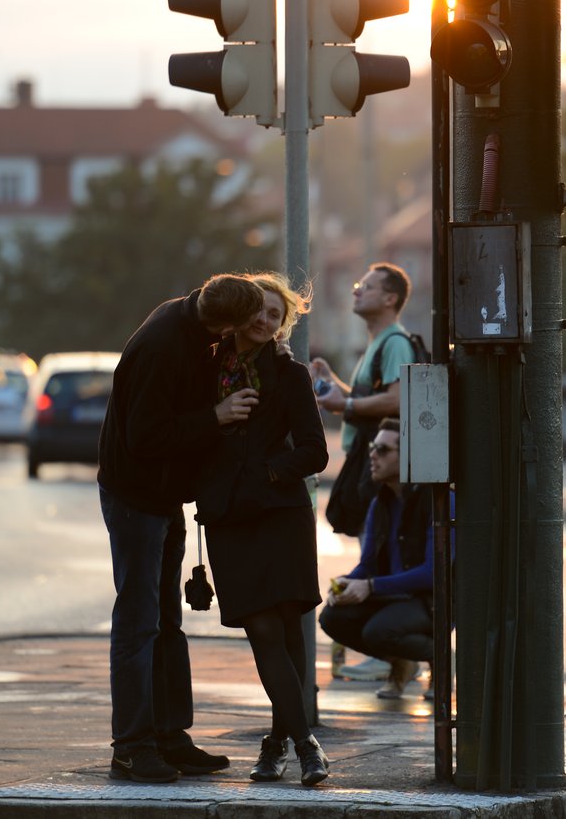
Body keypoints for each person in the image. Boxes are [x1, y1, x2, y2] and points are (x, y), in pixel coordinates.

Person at [98, 274, 265, 784]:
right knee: (138, 622)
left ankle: (168, 736)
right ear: (225, 322)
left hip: (161, 495)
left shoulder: (196, 327)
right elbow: (146, 437)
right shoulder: (163, 345)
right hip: (135, 497)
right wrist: (215, 416)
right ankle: (130, 748)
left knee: (165, 623)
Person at [195, 272, 331, 787]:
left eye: (277, 315)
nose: (265, 320)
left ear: (283, 325)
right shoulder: (208, 369)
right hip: (230, 518)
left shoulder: (288, 375)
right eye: (259, 309)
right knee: (263, 629)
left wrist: (270, 470)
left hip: (280, 514)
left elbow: (315, 451)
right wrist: (217, 419)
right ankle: (304, 745)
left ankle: (281, 746)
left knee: (288, 630)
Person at [311, 263, 416, 682]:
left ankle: (391, 649)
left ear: (390, 298)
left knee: (380, 549)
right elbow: (369, 396)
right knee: (372, 547)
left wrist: (346, 406)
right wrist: (335, 386)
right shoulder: (379, 343)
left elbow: (396, 400)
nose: (356, 292)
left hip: (382, 461)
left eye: (365, 287)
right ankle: (389, 650)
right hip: (367, 458)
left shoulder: (395, 343)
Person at [319, 419, 437, 702]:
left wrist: (370, 586)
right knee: (332, 618)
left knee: (378, 631)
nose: (372, 455)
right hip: (393, 595)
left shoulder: (434, 499)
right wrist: (350, 583)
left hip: (429, 600)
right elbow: (368, 563)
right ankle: (402, 662)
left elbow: (434, 573)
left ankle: (441, 657)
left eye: (382, 450)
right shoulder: (380, 502)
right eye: (373, 448)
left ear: (407, 456)